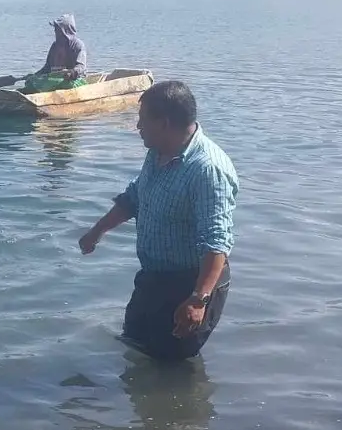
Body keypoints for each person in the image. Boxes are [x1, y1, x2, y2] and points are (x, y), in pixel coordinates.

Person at [78, 81, 238, 362]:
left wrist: (198, 300)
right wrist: (97, 231)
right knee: (133, 347)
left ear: (164, 123)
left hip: (192, 284)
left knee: (172, 366)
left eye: (141, 122)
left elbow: (216, 242)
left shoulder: (207, 170)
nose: (137, 128)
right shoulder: (157, 152)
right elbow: (135, 197)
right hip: (154, 278)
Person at [22, 14, 87, 94]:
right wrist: (35, 75)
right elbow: (47, 68)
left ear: (65, 31)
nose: (55, 32)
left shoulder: (77, 45)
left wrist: (71, 72)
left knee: (64, 85)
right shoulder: (55, 46)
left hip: (73, 81)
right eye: (55, 29)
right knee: (30, 84)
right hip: (55, 80)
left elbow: (81, 67)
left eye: (57, 29)